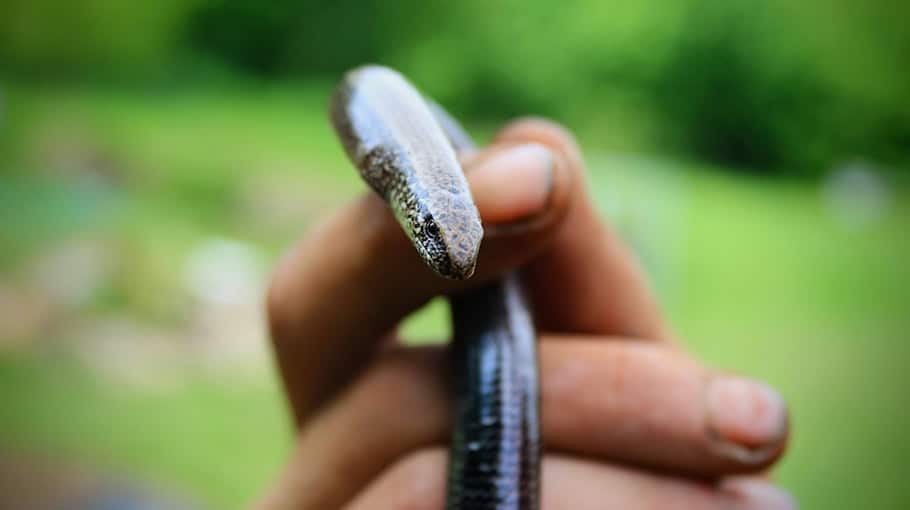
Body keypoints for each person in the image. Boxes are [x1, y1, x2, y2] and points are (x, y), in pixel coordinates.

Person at [254, 119, 793, 509]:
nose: (459, 259)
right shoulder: (401, 165)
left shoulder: (447, 205)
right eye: (434, 230)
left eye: (462, 231)